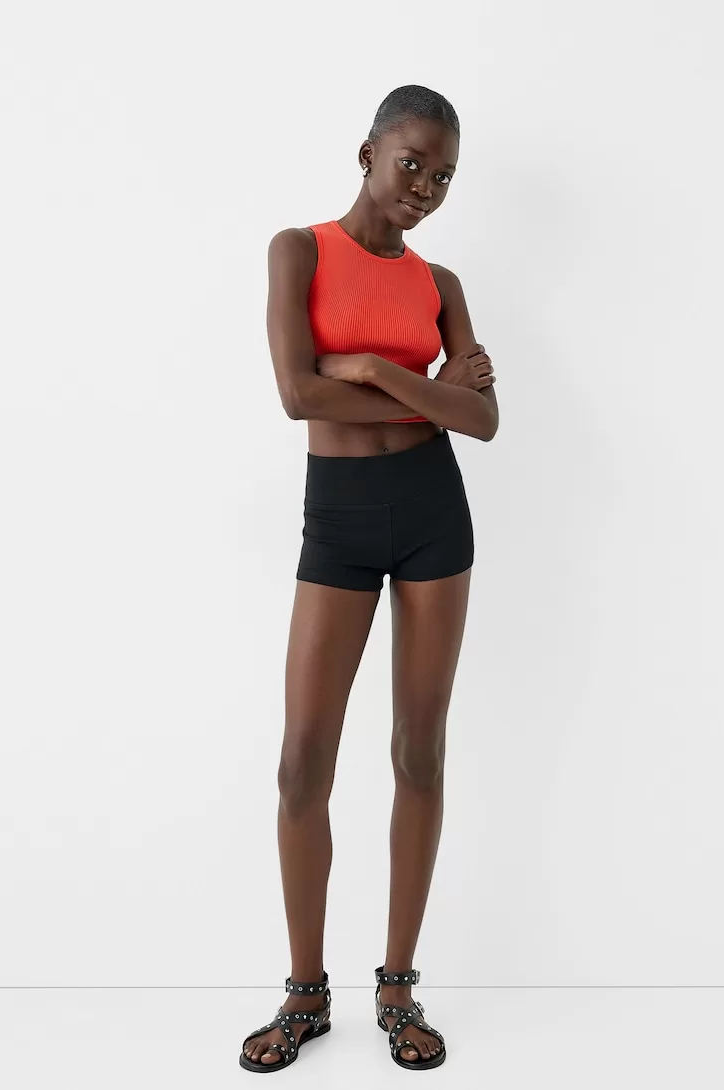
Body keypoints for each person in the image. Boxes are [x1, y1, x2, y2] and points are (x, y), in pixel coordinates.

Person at [240, 84, 498, 1073]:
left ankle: (397, 988)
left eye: (443, 176)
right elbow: (296, 390)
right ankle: (306, 994)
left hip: (435, 515)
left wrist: (380, 372)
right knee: (302, 763)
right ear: (368, 153)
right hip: (338, 519)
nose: (425, 187)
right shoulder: (297, 251)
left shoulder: (442, 282)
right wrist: (428, 389)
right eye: (411, 164)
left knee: (418, 752)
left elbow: (483, 422)